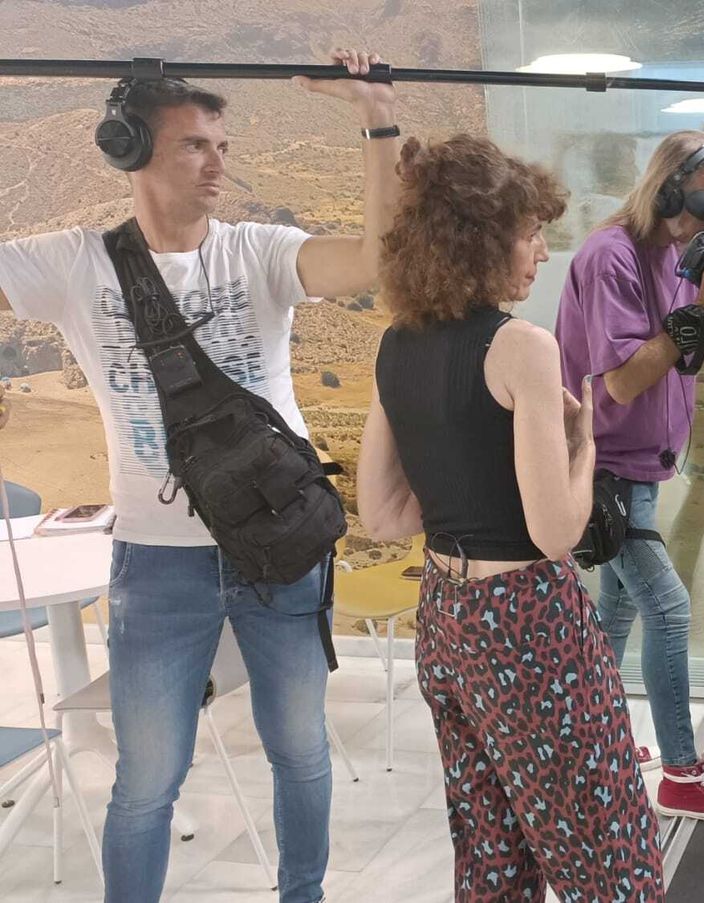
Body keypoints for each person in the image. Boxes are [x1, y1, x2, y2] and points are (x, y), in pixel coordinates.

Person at [0, 49, 398, 903]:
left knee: (300, 750)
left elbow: (374, 258)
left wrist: (374, 115)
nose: (220, 163)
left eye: (222, 142)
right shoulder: (74, 263)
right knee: (146, 781)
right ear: (129, 148)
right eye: (194, 146)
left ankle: (305, 894)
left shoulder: (259, 252)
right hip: (156, 560)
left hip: (280, 545)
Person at [355, 134, 664, 901]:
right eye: (529, 233)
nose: (539, 251)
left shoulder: (396, 346)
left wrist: (472, 471)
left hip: (446, 623)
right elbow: (557, 531)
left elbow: (385, 514)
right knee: (606, 849)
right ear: (483, 241)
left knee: (493, 852)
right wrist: (581, 444)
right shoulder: (520, 345)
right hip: (528, 624)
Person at [553, 130, 704, 823]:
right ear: (671, 190)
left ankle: (595, 745)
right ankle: (683, 774)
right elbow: (618, 380)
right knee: (669, 609)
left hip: (642, 463)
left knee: (615, 611)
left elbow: (695, 354)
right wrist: (698, 313)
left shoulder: (680, 253)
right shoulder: (609, 254)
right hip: (605, 464)